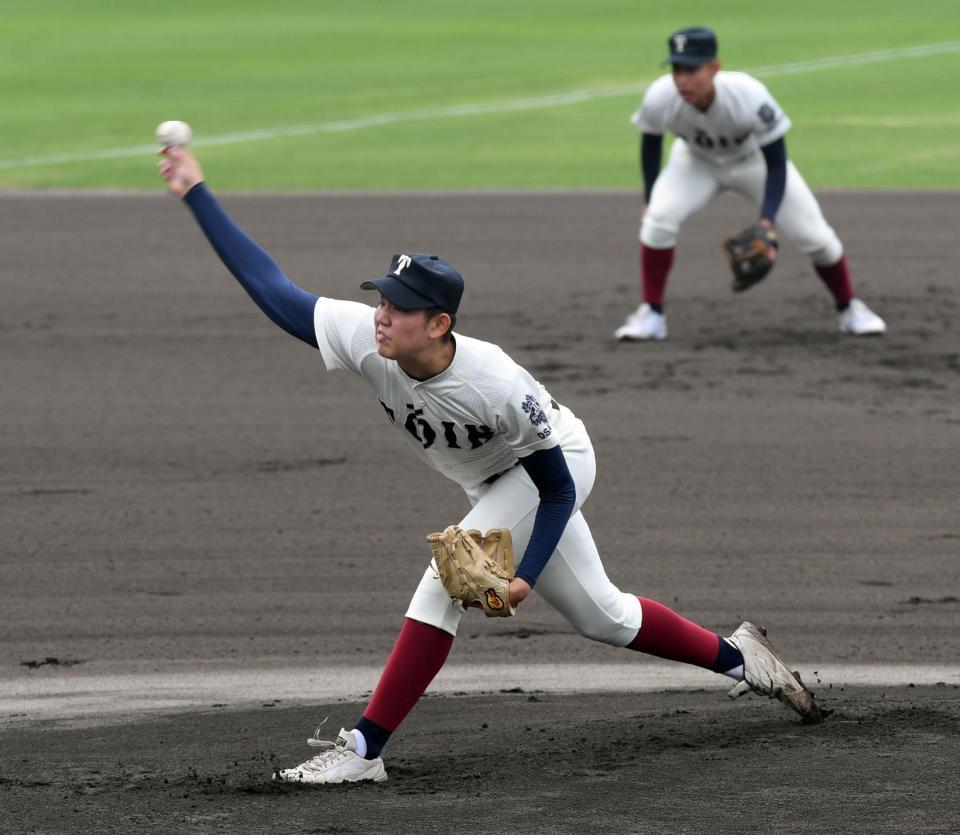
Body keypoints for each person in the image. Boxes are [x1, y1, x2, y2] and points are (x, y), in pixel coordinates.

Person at [158, 147, 823, 785]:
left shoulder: (494, 382)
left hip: (552, 467)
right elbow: (270, 286)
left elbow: (557, 487)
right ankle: (745, 659)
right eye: (382, 300)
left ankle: (363, 748)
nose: (381, 316)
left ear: (440, 321)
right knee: (606, 617)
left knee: (446, 577)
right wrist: (196, 192)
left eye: (399, 307)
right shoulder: (366, 338)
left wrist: (525, 577)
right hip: (496, 481)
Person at [614, 26, 886, 341]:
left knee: (818, 239)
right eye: (677, 69)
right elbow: (651, 145)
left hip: (753, 162)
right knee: (657, 222)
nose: (683, 79)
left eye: (692, 69)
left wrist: (767, 220)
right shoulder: (660, 96)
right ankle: (652, 314)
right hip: (695, 162)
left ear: (715, 67)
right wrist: (649, 197)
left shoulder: (749, 96)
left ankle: (849, 308)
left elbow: (776, 162)